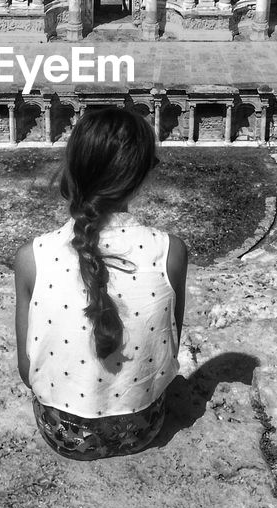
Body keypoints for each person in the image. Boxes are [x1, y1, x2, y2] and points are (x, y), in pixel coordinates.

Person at [14, 108, 188, 460]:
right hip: (141, 427)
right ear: (141, 177)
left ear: (73, 169)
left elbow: (25, 368)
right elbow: (170, 348)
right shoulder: (170, 252)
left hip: (64, 433)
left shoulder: (33, 257)